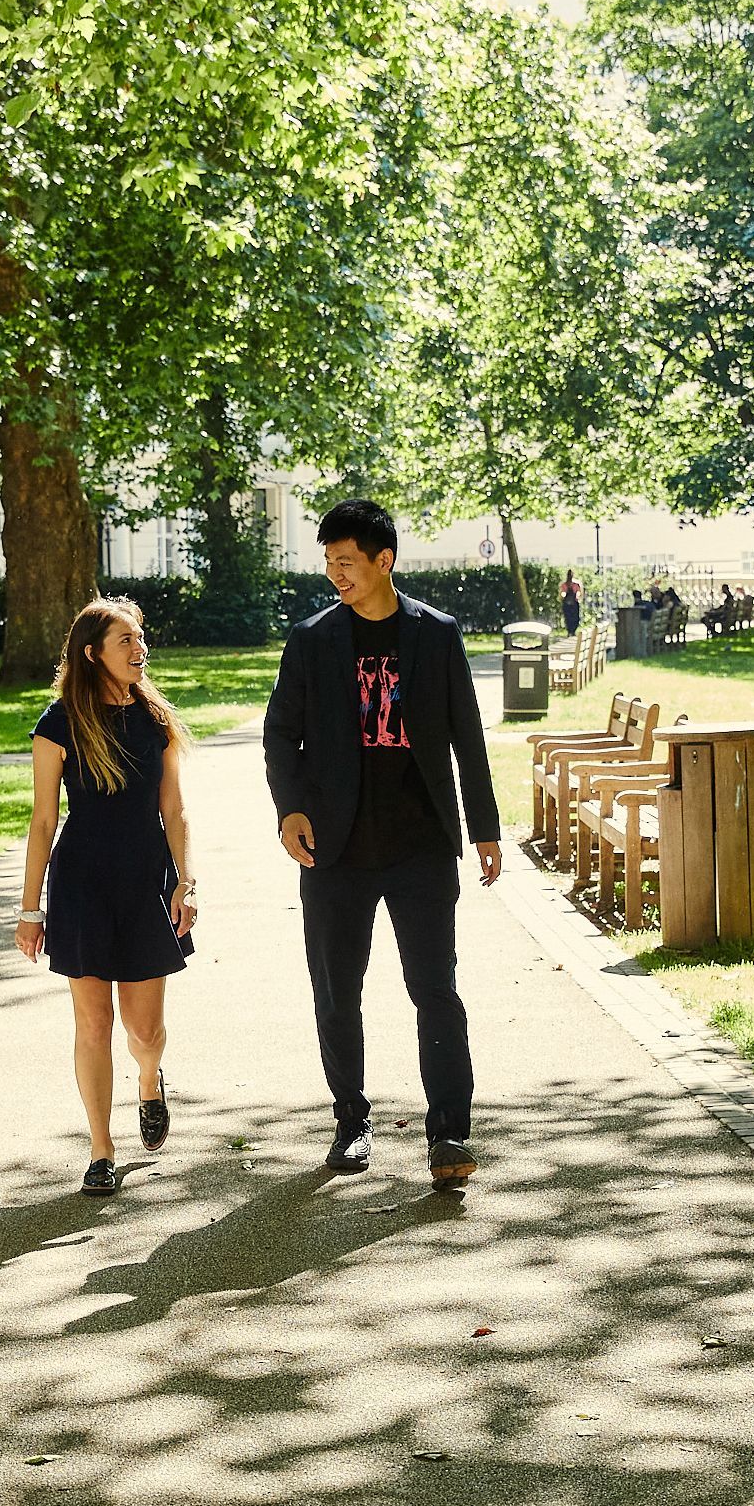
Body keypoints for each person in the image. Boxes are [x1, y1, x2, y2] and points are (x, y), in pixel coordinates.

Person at [264, 499, 502, 1189]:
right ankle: (351, 1120)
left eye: (347, 562)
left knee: (435, 989)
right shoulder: (312, 639)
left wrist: (483, 829)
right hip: (334, 850)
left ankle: (450, 1130)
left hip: (422, 845)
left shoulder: (437, 634)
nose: (336, 575)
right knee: (338, 992)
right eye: (329, 563)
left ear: (383, 561)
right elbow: (282, 732)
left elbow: (468, 736)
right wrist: (291, 811)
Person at [16, 597, 196, 1196]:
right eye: (126, 641)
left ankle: (149, 1082)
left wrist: (187, 882)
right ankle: (100, 1148)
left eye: (140, 639)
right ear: (93, 654)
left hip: (147, 883)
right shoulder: (57, 724)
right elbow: (43, 822)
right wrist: (29, 908)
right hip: (82, 885)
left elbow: (174, 809)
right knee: (92, 1021)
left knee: (145, 1032)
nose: (140, 649)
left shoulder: (156, 720)